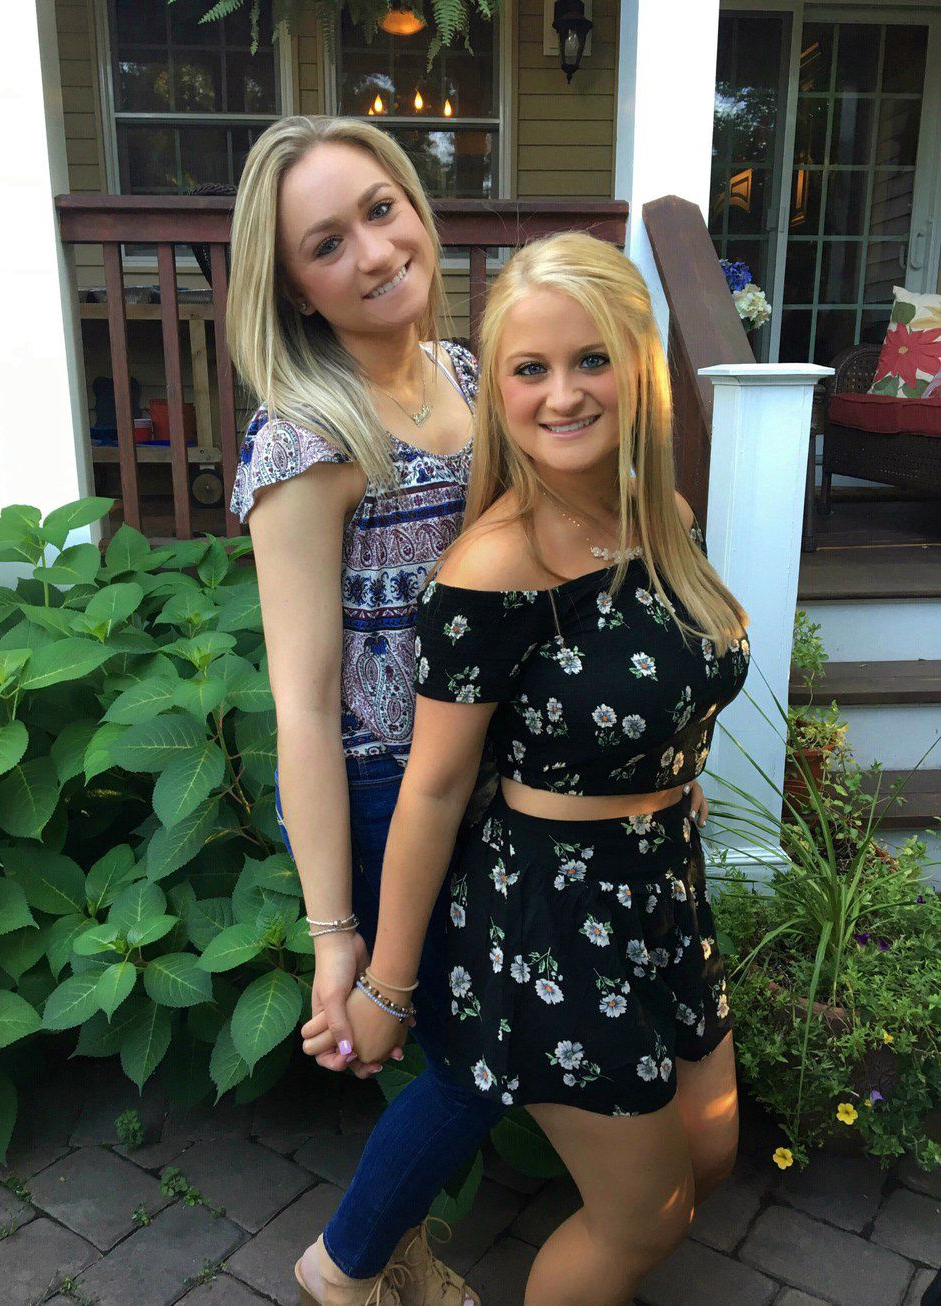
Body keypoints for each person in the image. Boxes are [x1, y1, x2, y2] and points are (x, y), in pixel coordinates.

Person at [327, 231, 750, 1305]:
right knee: (640, 1217)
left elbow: (671, 679)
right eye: (530, 368)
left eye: (591, 359)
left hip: (661, 889)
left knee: (706, 1157)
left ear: (638, 368)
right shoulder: (494, 567)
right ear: (501, 391)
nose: (562, 394)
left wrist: (669, 773)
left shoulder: (662, 521)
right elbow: (432, 788)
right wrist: (385, 983)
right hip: (554, 920)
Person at [226, 115, 496, 1305]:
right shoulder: (304, 439)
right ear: (293, 287)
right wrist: (334, 932)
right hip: (387, 789)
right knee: (484, 1048)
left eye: (381, 210)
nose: (375, 251)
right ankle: (343, 1265)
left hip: (488, 774)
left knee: (463, 1036)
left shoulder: (471, 377)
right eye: (327, 243)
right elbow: (302, 704)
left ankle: (389, 1246)